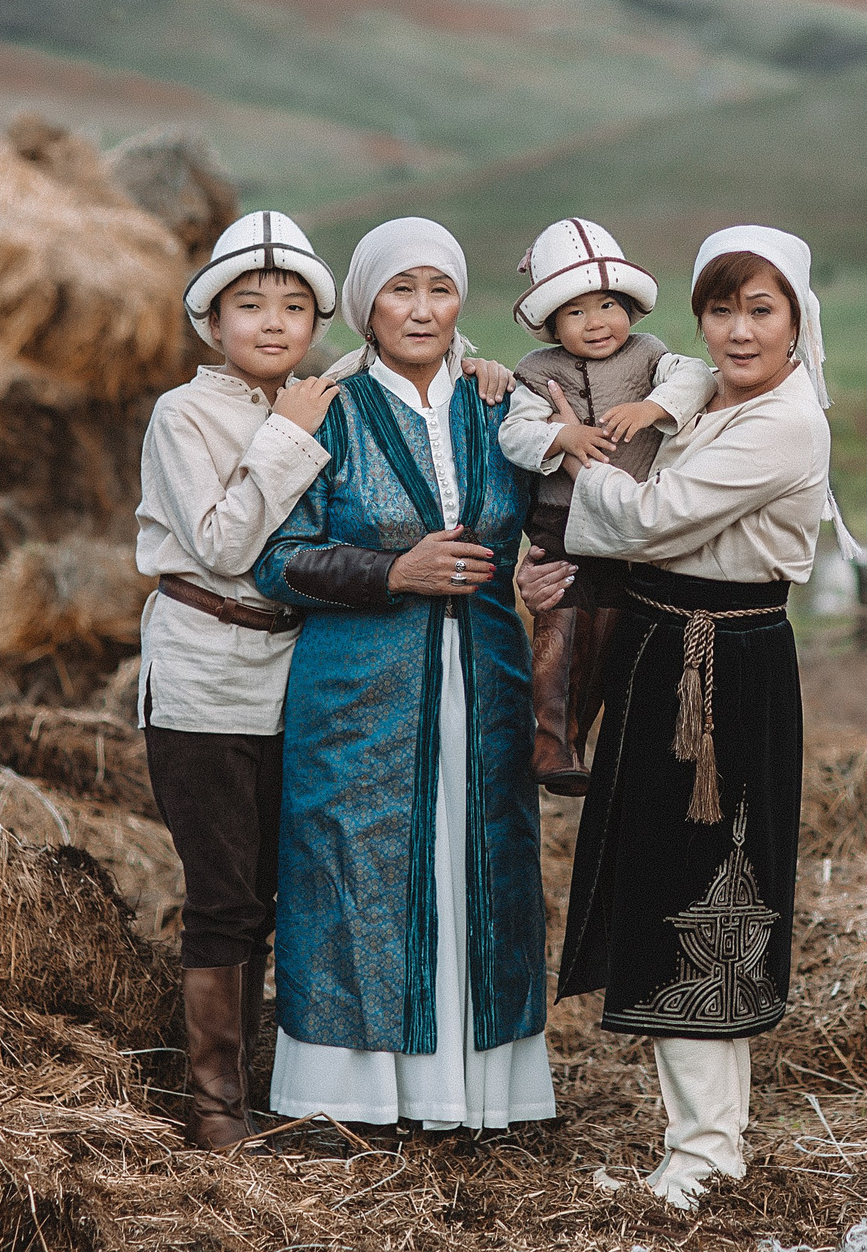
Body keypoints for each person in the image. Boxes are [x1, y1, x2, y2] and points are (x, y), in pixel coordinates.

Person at [536, 224, 857, 1211]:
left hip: (720, 671)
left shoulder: (787, 426)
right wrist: (664, 396)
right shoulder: (713, 392)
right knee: (673, 885)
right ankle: (699, 1143)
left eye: (760, 309)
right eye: (720, 308)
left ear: (799, 317)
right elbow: (675, 375)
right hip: (668, 647)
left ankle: (707, 1157)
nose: (737, 330)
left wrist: (561, 447)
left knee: (710, 894)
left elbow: (645, 520)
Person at [252, 217, 554, 1134]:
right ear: (365, 306)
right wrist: (393, 572)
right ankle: (352, 1098)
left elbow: (551, 517)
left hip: (487, 678)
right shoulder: (327, 412)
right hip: (356, 693)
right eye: (400, 290)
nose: (422, 309)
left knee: (485, 864)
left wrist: (543, 568)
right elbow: (278, 559)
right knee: (356, 866)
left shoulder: (501, 405)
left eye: (441, 289)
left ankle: (475, 1095)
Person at [133, 210, 342, 1151]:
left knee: (283, 887)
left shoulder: (315, 398)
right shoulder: (186, 412)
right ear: (212, 323)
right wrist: (289, 438)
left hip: (292, 669)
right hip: (206, 671)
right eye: (248, 304)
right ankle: (215, 1104)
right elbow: (221, 544)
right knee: (225, 891)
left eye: (293, 306)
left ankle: (278, 1089)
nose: (271, 322)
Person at [495, 217, 716, 794]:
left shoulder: (650, 357)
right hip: (562, 527)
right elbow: (514, 434)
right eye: (575, 312)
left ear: (631, 308)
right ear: (550, 324)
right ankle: (552, 742)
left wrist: (652, 409)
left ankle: (587, 740)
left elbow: (696, 378)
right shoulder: (536, 372)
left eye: (607, 305)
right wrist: (560, 437)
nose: (595, 323)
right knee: (561, 628)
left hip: (626, 530)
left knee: (614, 633)